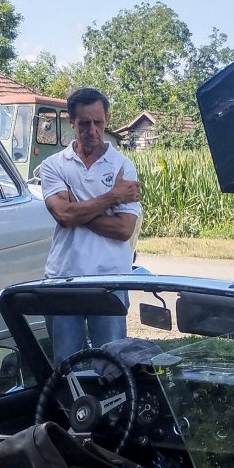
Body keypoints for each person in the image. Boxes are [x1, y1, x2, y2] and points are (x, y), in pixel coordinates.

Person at [36, 87, 143, 362]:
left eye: (98, 122)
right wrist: (113, 197)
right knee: (66, 366)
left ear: (107, 119)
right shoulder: (53, 166)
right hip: (63, 278)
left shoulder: (123, 166)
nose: (92, 130)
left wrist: (77, 208)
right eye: (84, 123)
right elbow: (64, 217)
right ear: (71, 122)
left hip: (110, 279)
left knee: (111, 366)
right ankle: (69, 408)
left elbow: (123, 230)